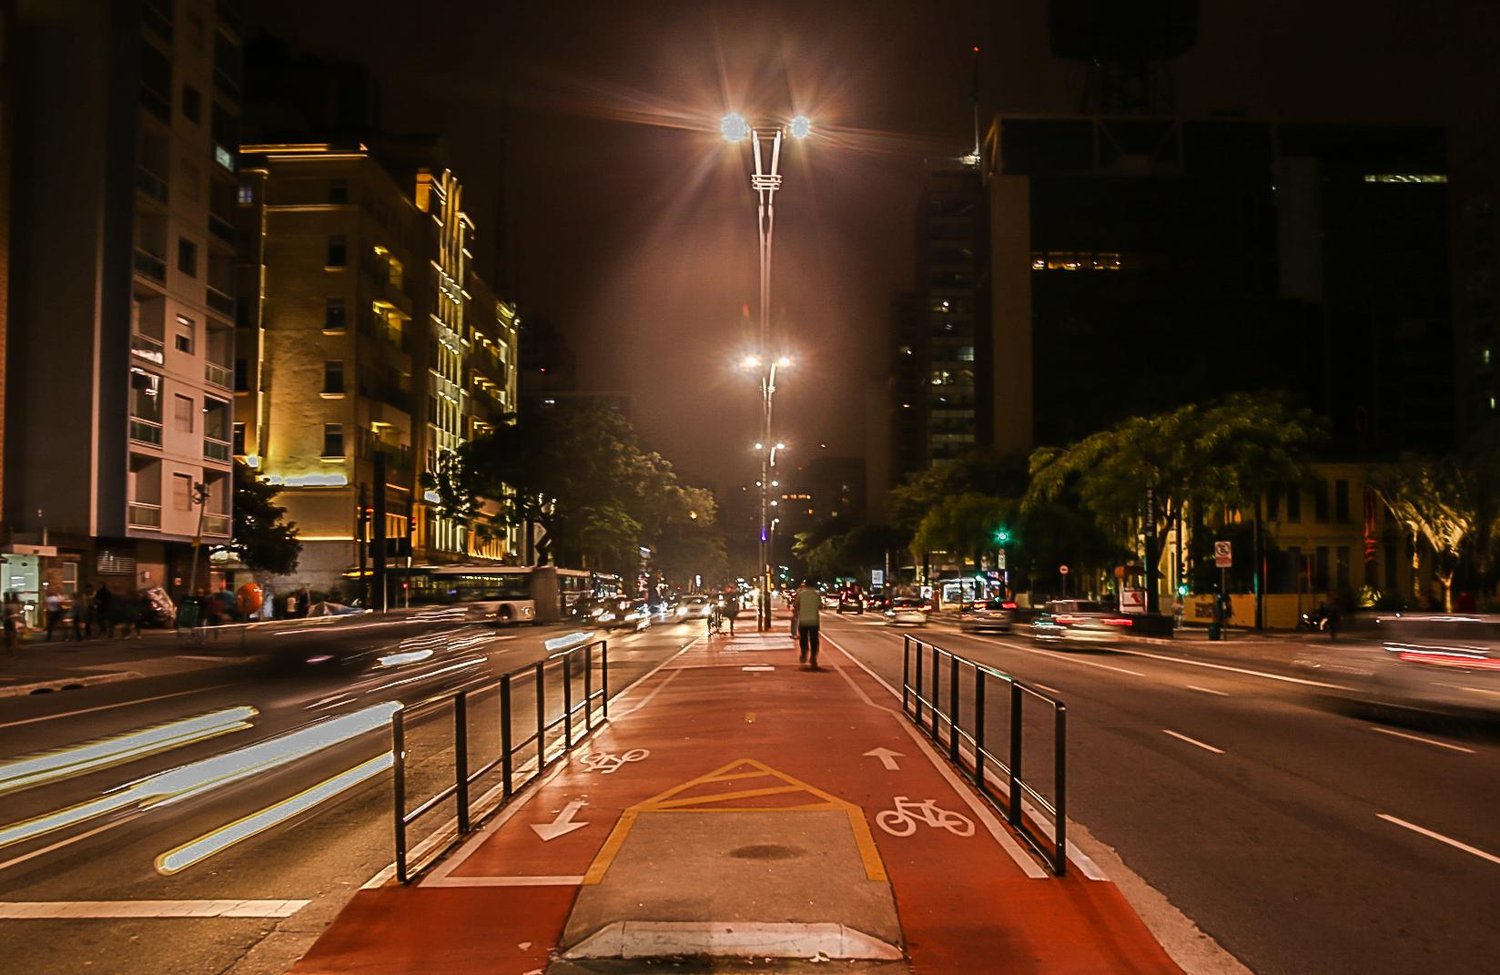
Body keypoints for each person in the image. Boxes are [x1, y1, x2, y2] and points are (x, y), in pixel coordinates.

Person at [794, 578, 822, 670]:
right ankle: (813, 657)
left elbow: (796, 605)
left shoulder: (801, 594)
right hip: (814, 621)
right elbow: (820, 606)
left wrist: (797, 612)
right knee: (814, 641)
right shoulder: (817, 594)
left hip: (803, 620)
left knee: (803, 639)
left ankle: (804, 653)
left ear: (805, 585)